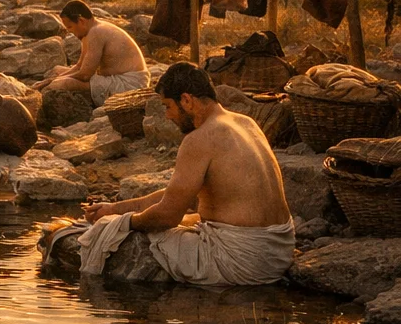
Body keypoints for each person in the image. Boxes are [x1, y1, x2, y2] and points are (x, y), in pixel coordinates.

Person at [75, 62, 294, 286]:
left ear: (187, 100)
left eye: (168, 106)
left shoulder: (199, 139)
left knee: (126, 234)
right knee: (185, 220)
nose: (168, 116)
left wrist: (124, 221)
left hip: (243, 261)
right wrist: (115, 208)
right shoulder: (246, 123)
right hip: (280, 249)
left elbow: (167, 216)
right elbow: (178, 195)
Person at [38, 0, 149, 105]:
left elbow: (85, 75)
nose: (70, 32)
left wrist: (53, 82)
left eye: (70, 27)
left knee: (63, 83)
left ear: (81, 21)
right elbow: (79, 66)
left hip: (130, 83)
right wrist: (51, 79)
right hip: (118, 78)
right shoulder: (91, 31)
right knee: (58, 71)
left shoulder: (97, 32)